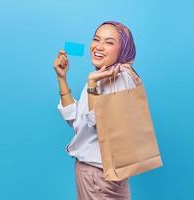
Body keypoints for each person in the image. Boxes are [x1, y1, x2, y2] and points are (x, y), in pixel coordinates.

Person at [53, 21, 141, 200]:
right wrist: (62, 78)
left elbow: (102, 127)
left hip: (99, 175)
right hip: (94, 174)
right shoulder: (102, 75)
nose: (99, 47)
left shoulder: (119, 78)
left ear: (123, 49)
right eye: (96, 39)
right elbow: (76, 120)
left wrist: (92, 84)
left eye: (109, 42)